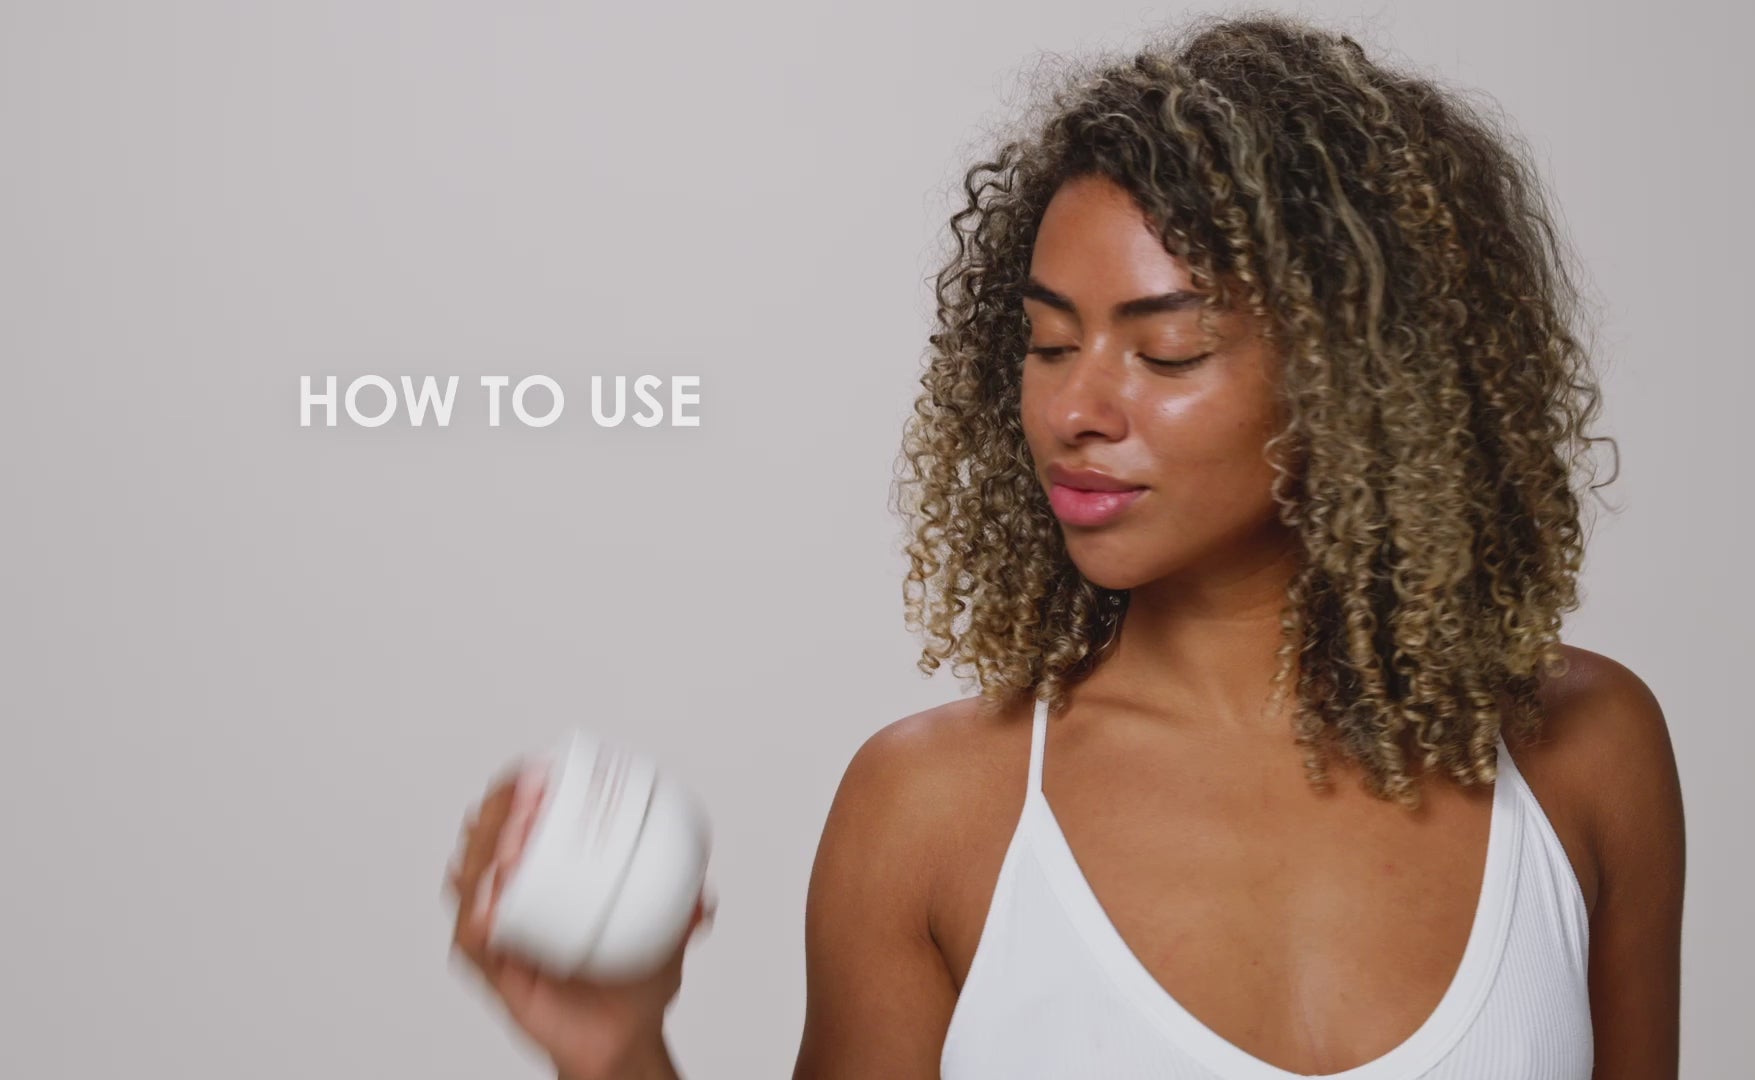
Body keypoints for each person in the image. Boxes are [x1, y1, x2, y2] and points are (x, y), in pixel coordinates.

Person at [444, 12, 1685, 1079]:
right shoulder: (933, 811)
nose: (1074, 409)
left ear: (1358, 377)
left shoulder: (1582, 756)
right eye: (1047, 344)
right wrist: (616, 1051)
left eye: (1167, 350)